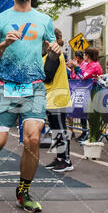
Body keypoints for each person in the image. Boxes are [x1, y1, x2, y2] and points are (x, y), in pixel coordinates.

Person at [0, 0, 58, 213]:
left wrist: (55, 48)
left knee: (33, 139)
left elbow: (49, 48)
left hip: (34, 87)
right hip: (4, 86)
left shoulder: (44, 20)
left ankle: (23, 192)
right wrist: (4, 44)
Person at [43, 30, 73, 172]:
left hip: (57, 98)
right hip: (51, 97)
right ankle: (60, 158)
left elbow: (47, 76)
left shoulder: (54, 54)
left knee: (60, 130)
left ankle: (66, 160)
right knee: (56, 130)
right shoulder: (49, 54)